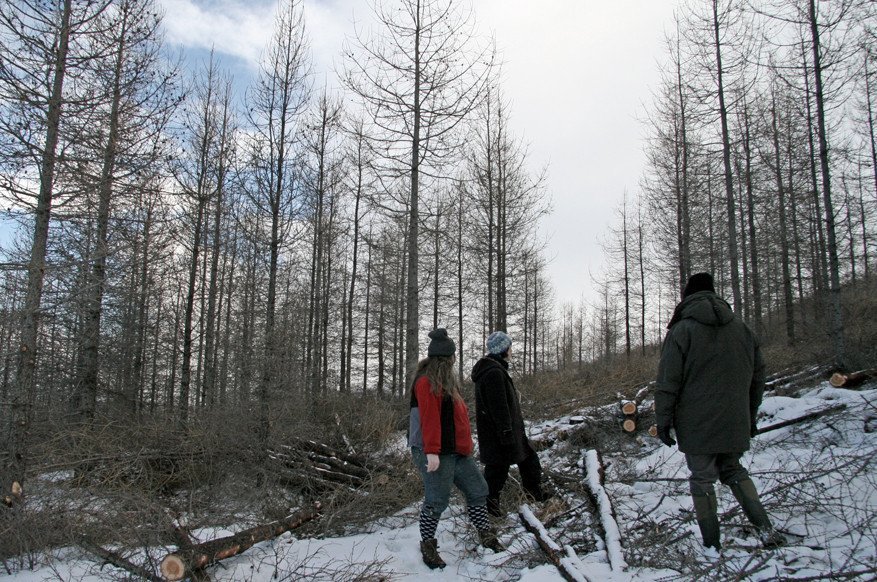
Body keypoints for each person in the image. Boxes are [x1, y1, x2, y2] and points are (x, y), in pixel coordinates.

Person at [655, 272, 785, 551]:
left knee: (702, 478)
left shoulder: (681, 330)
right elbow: (758, 377)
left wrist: (663, 420)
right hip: (734, 418)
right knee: (733, 469)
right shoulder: (742, 328)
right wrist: (749, 415)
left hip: (696, 421)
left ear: (687, 297)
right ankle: (766, 530)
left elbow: (668, 381)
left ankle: (712, 546)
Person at [408, 328, 504, 570]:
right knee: (436, 500)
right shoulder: (426, 382)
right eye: (452, 357)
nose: (454, 361)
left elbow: (457, 419)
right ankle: (428, 545)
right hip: (435, 451)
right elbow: (429, 419)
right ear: (444, 359)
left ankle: (486, 535)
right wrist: (431, 452)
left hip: (456, 451)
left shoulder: (448, 383)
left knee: (478, 489)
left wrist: (466, 446)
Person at [471, 330, 547, 518]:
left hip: (506, 432)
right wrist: (506, 433)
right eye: (509, 347)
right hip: (500, 434)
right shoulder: (493, 373)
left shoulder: (495, 369)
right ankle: (489, 508)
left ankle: (534, 494)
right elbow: (499, 407)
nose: (511, 350)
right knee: (497, 471)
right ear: (503, 349)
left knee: (528, 459)